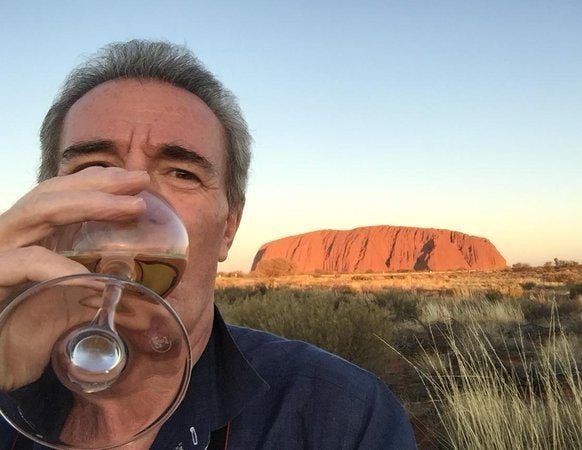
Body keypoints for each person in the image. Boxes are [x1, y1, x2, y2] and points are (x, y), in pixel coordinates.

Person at [0, 40, 416, 449]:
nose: (132, 206)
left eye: (182, 174)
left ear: (229, 227)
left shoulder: (343, 419)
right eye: (94, 168)